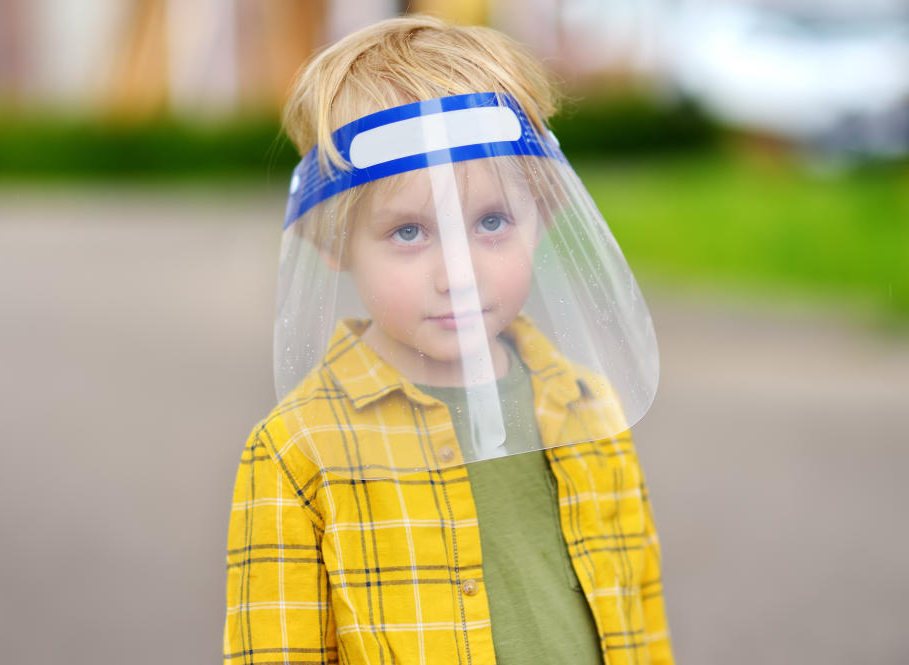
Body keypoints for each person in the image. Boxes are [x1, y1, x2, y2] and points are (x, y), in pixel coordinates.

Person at [225, 15, 673, 665]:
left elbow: (642, 620)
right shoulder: (299, 451)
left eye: (491, 221)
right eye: (408, 231)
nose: (458, 273)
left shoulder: (587, 408)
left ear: (542, 216)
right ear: (331, 239)